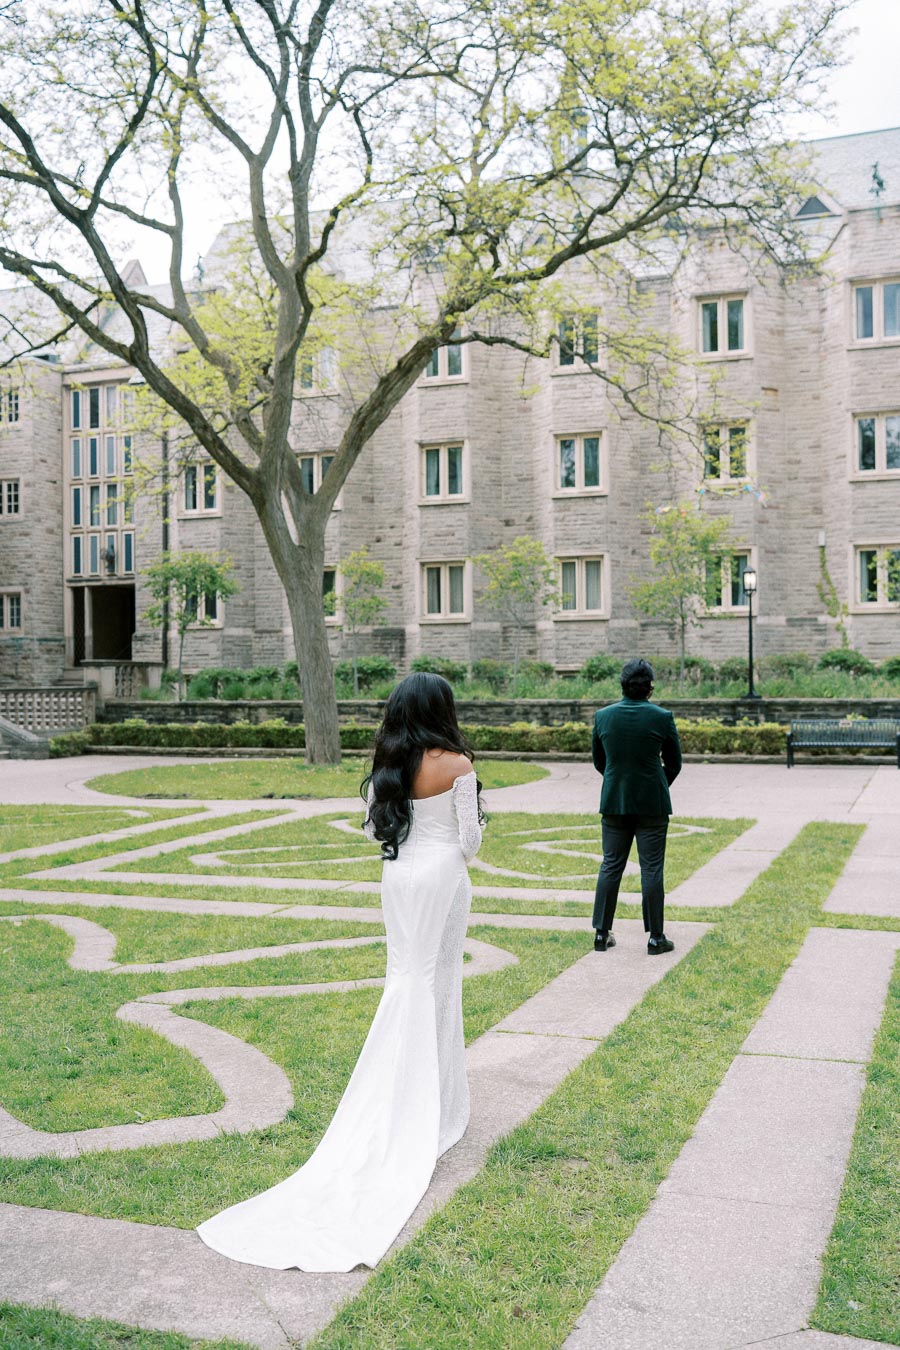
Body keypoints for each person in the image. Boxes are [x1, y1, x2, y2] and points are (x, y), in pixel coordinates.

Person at [196, 672, 483, 1272]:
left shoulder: (389, 758)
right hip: (442, 877)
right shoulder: (455, 763)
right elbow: (470, 840)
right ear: (442, 709)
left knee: (406, 979)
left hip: (399, 876)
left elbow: (374, 825)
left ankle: (409, 1094)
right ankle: (430, 1106)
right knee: (436, 986)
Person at [591, 658, 682, 955]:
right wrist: (655, 785)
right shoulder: (662, 717)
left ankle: (601, 934)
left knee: (611, 865)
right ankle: (656, 937)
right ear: (650, 688)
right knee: (652, 868)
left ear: (623, 685)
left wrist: (619, 781)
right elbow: (674, 763)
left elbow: (600, 761)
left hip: (615, 801)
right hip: (652, 804)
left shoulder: (603, 716)